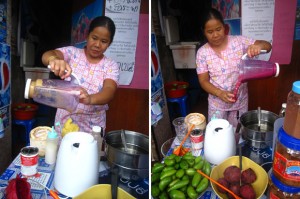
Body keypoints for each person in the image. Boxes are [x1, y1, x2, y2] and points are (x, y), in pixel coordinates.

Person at [41, 16, 119, 135]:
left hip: (93, 127)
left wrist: (90, 99)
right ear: (87, 35)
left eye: (104, 41)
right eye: (94, 38)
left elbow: (109, 91)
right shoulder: (72, 53)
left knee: (90, 152)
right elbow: (47, 55)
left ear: (109, 43)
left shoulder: (110, 65)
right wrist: (54, 59)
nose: (97, 45)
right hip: (65, 123)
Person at [196, 8, 272, 129]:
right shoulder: (202, 53)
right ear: (203, 32)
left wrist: (258, 46)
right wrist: (219, 93)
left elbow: (268, 46)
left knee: (237, 134)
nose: (215, 35)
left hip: (240, 102)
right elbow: (203, 81)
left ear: (224, 27)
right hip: (217, 104)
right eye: (210, 32)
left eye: (218, 29)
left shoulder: (239, 42)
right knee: (217, 134)